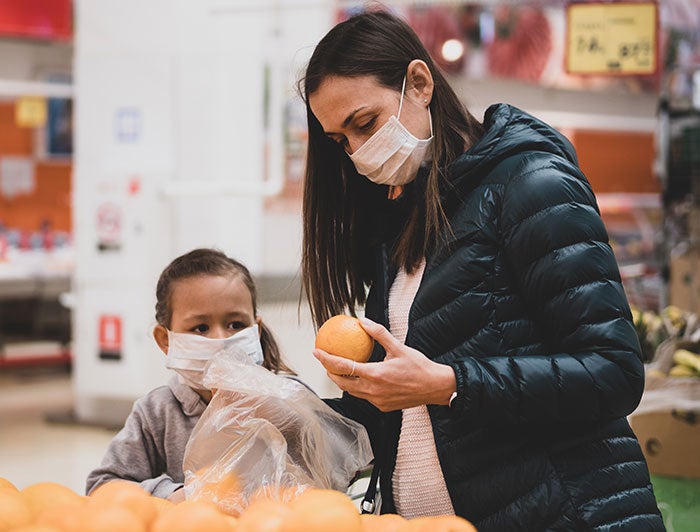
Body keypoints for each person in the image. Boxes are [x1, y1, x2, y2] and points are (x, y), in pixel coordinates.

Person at [301, 10, 663, 531]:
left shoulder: (531, 185)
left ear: (419, 84)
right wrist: (298, 411)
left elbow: (613, 373)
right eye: (341, 141)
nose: (358, 152)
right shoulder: (400, 224)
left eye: (365, 124)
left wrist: (449, 384)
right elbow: (418, 418)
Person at [85, 248, 294, 501]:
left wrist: (281, 412)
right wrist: (174, 494)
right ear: (165, 340)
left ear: (256, 331)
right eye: (201, 327)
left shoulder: (287, 399)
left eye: (236, 325)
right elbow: (103, 486)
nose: (221, 340)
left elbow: (333, 466)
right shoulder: (157, 413)